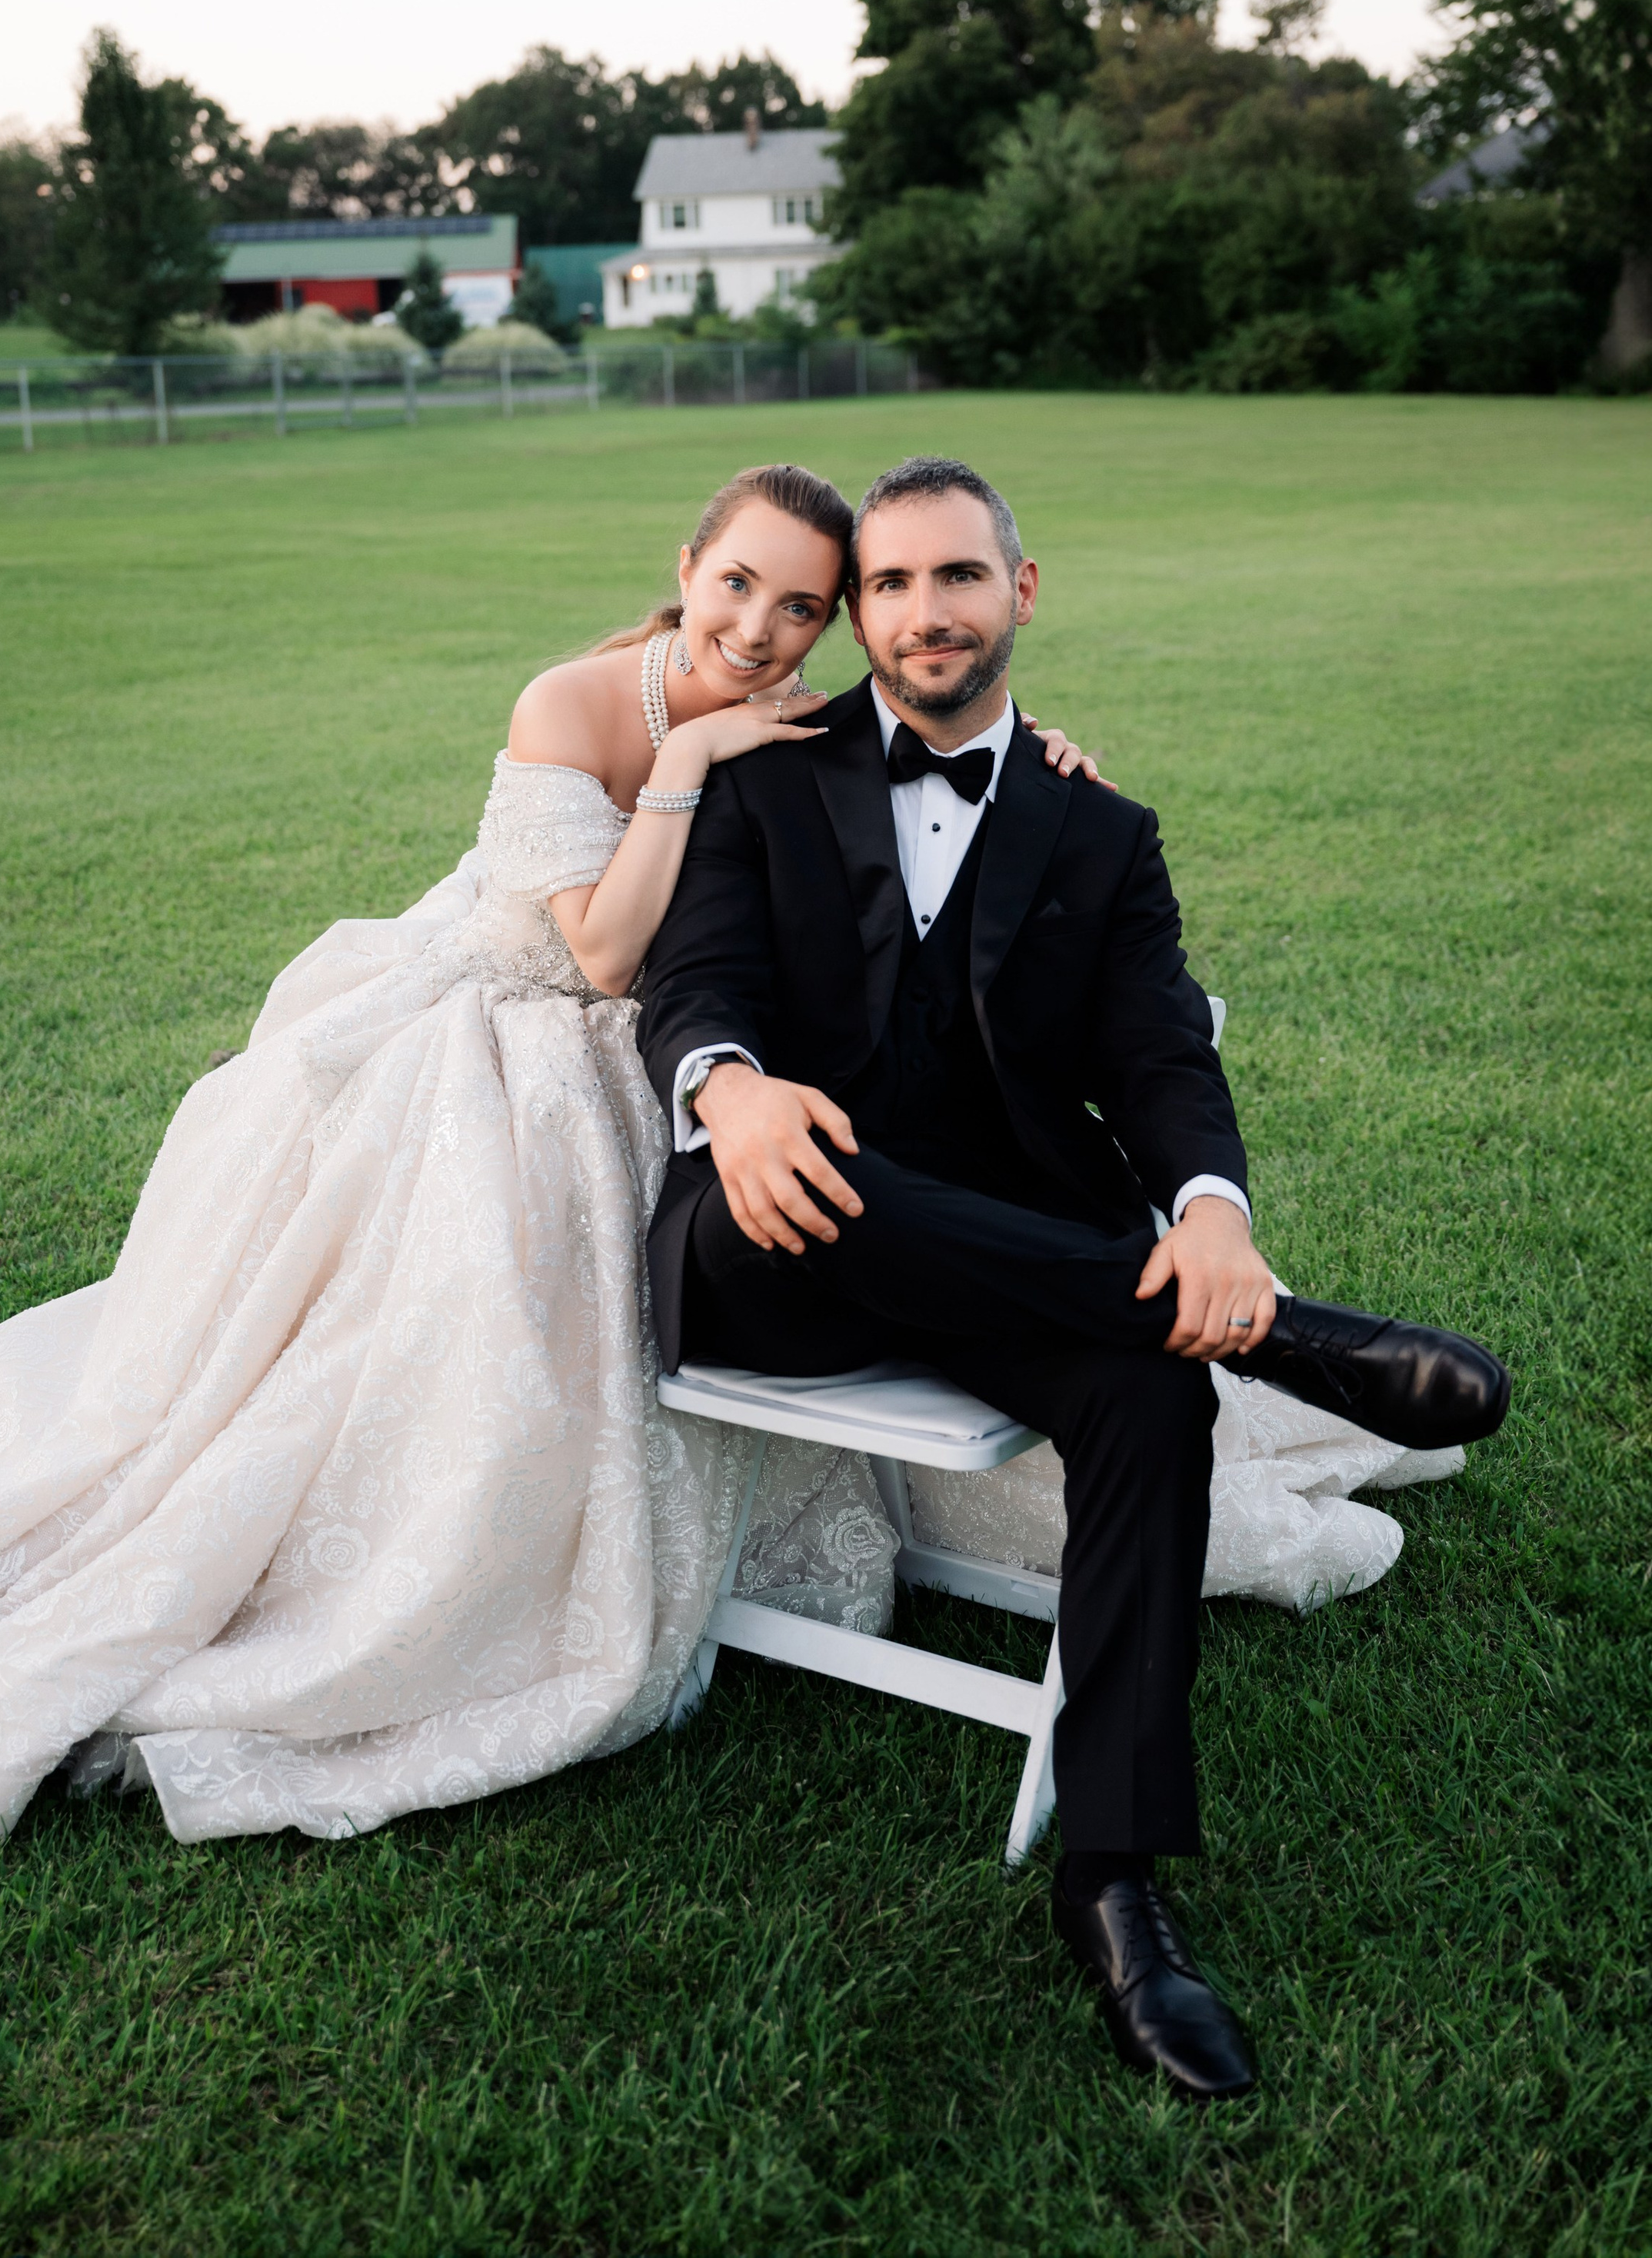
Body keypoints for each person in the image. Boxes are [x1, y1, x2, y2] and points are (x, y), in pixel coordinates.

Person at [0, 462, 1094, 1852]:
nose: (757, 630)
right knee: (445, 1305)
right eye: (736, 585)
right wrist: (686, 759)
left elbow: (934, 754)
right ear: (686, 571)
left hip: (668, 1051)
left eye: (798, 607)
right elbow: (601, 955)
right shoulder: (577, 702)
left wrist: (1049, 760)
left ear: (833, 622)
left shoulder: (802, 714)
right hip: (503, 1030)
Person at [640, 454, 1510, 2103]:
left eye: (953, 576)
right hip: (764, 1245)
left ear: (1017, 592)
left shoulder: (1096, 828)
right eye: (885, 585)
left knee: (1144, 1383)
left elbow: (1156, 1052)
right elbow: (687, 981)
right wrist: (730, 1088)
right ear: (860, 614)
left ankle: (1110, 1880)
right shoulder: (759, 772)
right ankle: (1302, 1347)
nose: (919, 613)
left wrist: (1214, 1210)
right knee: (848, 1183)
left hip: (1002, 1276)